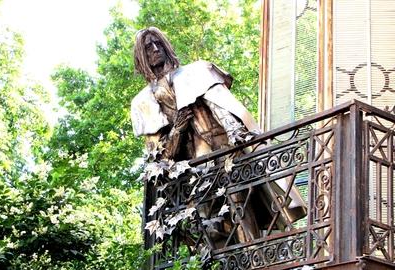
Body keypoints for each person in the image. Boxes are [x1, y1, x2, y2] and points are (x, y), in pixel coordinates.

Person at [131, 27, 306, 247]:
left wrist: (234, 131)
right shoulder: (143, 101)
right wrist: (178, 128)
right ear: (141, 56)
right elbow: (162, 156)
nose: (155, 49)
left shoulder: (195, 72)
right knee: (213, 227)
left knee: (243, 206)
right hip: (195, 171)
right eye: (148, 47)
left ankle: (260, 255)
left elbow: (221, 105)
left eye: (158, 43)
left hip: (224, 152)